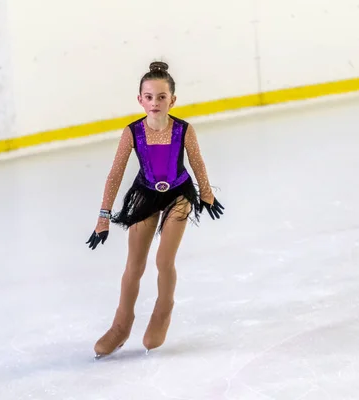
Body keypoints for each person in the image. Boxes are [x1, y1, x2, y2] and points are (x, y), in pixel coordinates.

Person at [86, 61, 224, 358]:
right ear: (140, 99)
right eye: (148, 97)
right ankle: (121, 325)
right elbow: (115, 174)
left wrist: (208, 194)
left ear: (172, 99)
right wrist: (103, 217)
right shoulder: (132, 132)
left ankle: (163, 310)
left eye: (161, 97)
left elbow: (197, 163)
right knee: (134, 266)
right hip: (146, 194)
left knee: (164, 260)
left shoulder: (184, 130)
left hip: (178, 194)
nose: (155, 103)